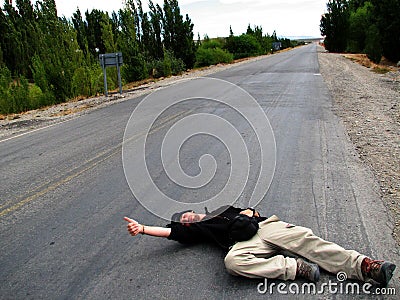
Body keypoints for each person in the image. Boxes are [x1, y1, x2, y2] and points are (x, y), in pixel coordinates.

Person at [124, 205, 396, 287]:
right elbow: (171, 232)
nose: (185, 218)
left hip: (265, 227)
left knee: (307, 241)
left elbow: (252, 209)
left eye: (186, 214)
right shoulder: (199, 230)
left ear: (196, 210)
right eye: (182, 220)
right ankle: (292, 268)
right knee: (232, 263)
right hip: (240, 244)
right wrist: (144, 228)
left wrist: (249, 213)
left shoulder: (223, 208)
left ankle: (365, 266)